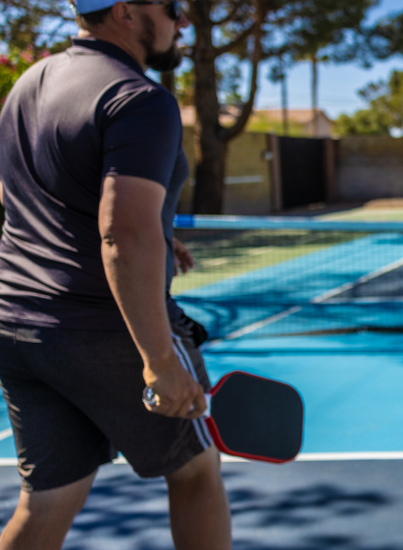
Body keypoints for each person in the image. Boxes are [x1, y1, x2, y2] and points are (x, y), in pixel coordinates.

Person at [0, 1, 231, 548]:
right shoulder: (140, 99)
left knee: (48, 500)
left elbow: (31, 193)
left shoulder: (30, 84)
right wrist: (159, 361)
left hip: (18, 327)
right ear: (127, 12)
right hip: (106, 332)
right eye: (173, 7)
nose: (184, 20)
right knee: (196, 471)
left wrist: (156, 231)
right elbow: (122, 232)